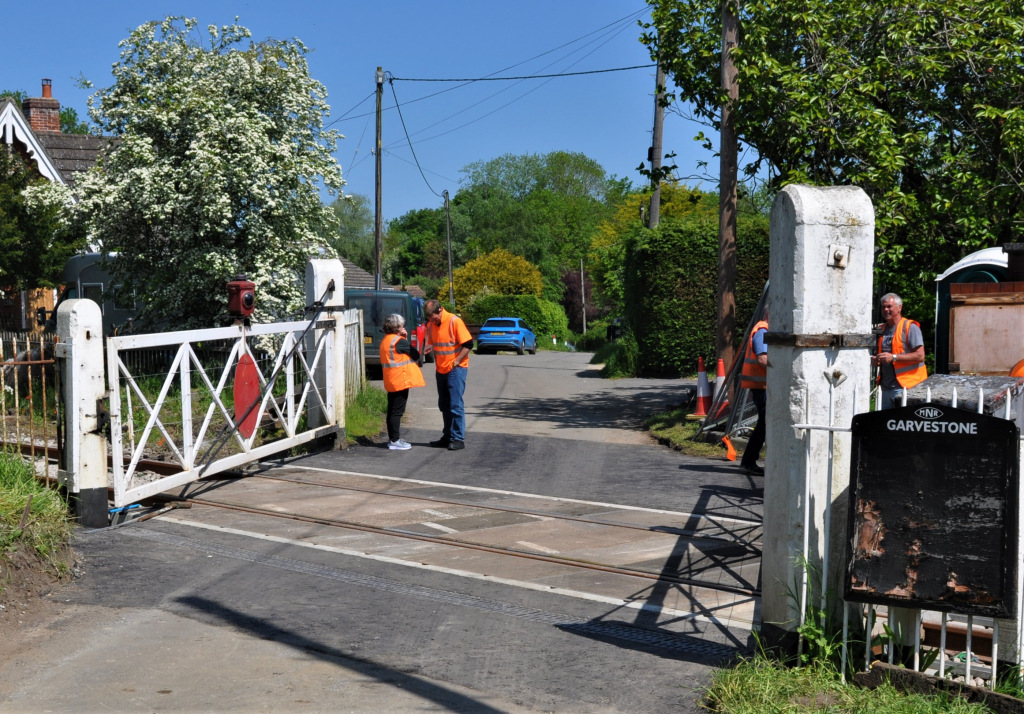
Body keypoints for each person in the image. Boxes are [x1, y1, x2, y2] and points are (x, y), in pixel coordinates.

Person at [423, 299, 473, 450]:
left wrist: (457, 361)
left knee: (455, 405)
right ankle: (448, 436)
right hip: (441, 370)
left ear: (440, 311)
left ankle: (458, 439)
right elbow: (432, 343)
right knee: (444, 405)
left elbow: (468, 344)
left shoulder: (454, 321)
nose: (432, 321)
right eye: (429, 319)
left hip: (456, 369)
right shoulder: (431, 325)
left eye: (433, 318)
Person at [871, 292, 927, 409]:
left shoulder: (910, 327)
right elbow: (882, 354)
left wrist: (894, 357)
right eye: (883, 307)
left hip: (907, 387)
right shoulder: (882, 329)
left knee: (903, 424)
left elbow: (920, 356)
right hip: (885, 387)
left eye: (889, 306)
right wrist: (875, 360)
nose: (886, 310)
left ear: (899, 308)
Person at [379, 313, 425, 450]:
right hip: (401, 379)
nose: (403, 326)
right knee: (397, 412)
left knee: (392, 410)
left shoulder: (386, 340)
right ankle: (394, 441)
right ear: (397, 327)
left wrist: (402, 338)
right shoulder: (398, 341)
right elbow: (416, 354)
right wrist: (405, 339)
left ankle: (393, 438)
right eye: (402, 325)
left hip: (391, 379)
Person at [739, 315, 768, 476]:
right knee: (764, 424)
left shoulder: (762, 328)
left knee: (764, 424)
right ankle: (748, 462)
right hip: (762, 387)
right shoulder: (763, 329)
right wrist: (782, 371)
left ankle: (748, 461)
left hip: (762, 386)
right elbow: (763, 358)